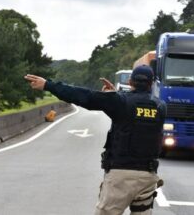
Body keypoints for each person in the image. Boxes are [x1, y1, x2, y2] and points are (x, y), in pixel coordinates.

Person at [24, 65, 166, 215]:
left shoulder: (120, 102)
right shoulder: (161, 106)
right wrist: (115, 95)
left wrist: (48, 85)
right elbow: (137, 110)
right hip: (148, 177)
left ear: (130, 82)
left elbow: (84, 96)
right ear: (151, 83)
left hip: (120, 177)